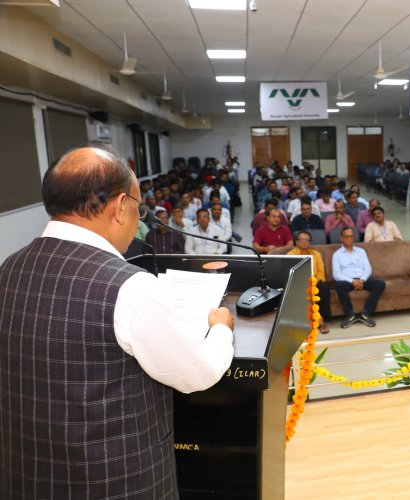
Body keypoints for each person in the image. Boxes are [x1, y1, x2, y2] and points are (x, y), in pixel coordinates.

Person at [0, 147, 234, 498]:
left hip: (27, 475)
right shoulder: (128, 286)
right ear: (120, 206)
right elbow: (196, 373)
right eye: (139, 208)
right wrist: (218, 328)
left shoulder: (10, 269)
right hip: (115, 482)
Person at [332, 227, 385, 328]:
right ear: (341, 238)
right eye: (347, 237)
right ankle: (350, 314)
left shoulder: (361, 251)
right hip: (347, 281)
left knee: (380, 284)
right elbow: (336, 275)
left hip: (362, 279)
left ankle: (365, 313)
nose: (349, 239)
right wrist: (352, 281)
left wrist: (362, 280)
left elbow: (368, 269)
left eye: (351, 236)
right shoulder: (337, 255)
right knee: (339, 285)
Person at [287, 231, 330, 334]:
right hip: (299, 282)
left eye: (307, 240)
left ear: (310, 242)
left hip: (315, 281)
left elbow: (321, 272)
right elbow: (289, 273)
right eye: (302, 239)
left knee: (323, 288)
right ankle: (308, 322)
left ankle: (321, 319)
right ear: (296, 241)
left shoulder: (316, 254)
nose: (304, 242)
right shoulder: (290, 255)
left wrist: (316, 280)